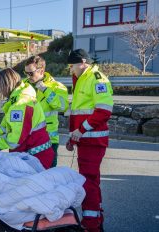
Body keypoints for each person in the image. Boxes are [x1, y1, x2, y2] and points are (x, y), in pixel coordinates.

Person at [67, 49, 113, 232]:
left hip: (92, 140)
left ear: (82, 62)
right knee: (91, 180)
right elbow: (79, 111)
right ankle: (96, 219)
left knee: (88, 182)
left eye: (72, 66)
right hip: (86, 140)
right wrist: (74, 137)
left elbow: (103, 110)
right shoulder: (82, 79)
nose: (70, 70)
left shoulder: (96, 78)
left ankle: (91, 224)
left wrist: (80, 131)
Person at [0, 68, 55, 169]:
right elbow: (6, 126)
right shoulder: (17, 100)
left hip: (36, 157)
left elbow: (16, 138)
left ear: (6, 85)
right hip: (32, 154)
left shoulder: (20, 104)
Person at [24, 55, 68, 167]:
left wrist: (45, 89)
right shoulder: (23, 85)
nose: (28, 76)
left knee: (49, 176)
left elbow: (62, 106)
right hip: (27, 138)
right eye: (26, 73)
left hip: (49, 139)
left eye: (31, 73)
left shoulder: (57, 87)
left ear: (41, 70)